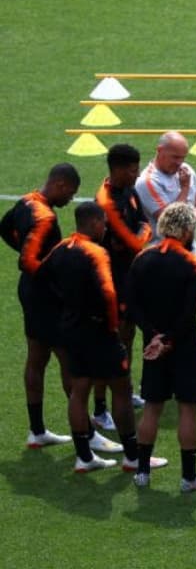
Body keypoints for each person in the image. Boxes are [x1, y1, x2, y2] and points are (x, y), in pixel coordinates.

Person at [35, 202, 149, 473]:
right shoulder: (97, 253)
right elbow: (108, 294)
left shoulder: (61, 248)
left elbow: (40, 276)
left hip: (71, 329)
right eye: (104, 223)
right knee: (121, 389)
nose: (106, 228)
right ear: (95, 223)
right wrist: (112, 325)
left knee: (79, 390)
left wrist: (66, 305)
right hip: (99, 331)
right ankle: (133, 457)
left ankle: (84, 457)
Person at [2, 163, 98, 450]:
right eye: (71, 192)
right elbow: (28, 261)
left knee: (37, 357)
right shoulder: (45, 218)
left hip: (30, 293)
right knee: (69, 361)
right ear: (60, 184)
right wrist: (54, 274)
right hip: (46, 298)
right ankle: (87, 434)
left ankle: (37, 430)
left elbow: (4, 228)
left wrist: (25, 249)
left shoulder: (26, 202)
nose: (71, 199)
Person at [127, 202, 196, 491]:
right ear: (187, 231)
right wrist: (169, 339)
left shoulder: (142, 259)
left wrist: (153, 336)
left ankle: (142, 473)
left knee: (152, 407)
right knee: (187, 409)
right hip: (184, 345)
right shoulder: (192, 264)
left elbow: (132, 304)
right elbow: (189, 311)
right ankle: (189, 478)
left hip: (152, 346)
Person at [95, 143, 151, 417]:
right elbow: (136, 241)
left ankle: (125, 391)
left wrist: (139, 235)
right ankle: (100, 408)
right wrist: (139, 237)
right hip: (110, 283)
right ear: (117, 169)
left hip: (128, 278)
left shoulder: (129, 190)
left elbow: (145, 223)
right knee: (110, 344)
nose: (137, 174)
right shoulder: (106, 203)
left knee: (127, 336)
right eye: (132, 170)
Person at [136, 131, 196, 253]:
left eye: (183, 157)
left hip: (190, 252)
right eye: (175, 157)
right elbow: (171, 223)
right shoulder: (147, 182)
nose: (179, 163)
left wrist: (187, 221)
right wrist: (185, 188)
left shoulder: (186, 170)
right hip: (163, 254)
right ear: (160, 150)